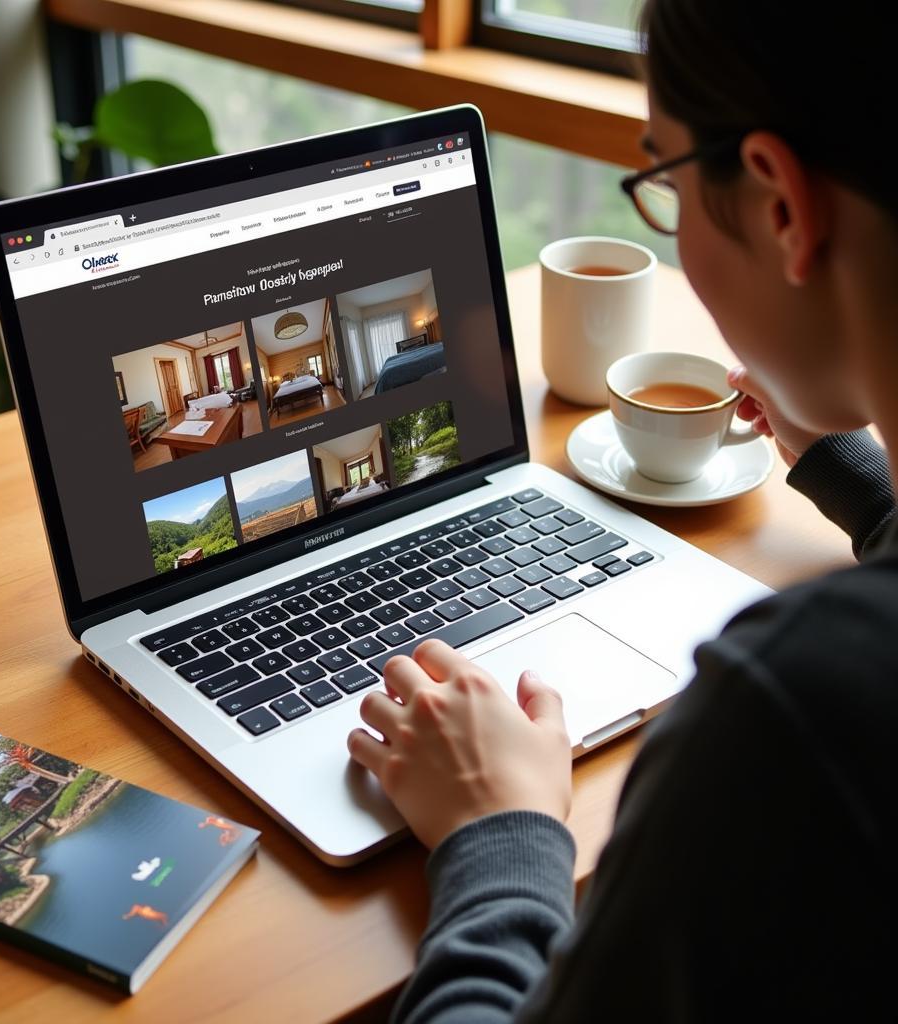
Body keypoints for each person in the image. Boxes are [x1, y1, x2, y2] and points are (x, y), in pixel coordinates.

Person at [346, 1, 897, 1019]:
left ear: (780, 203)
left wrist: (498, 830)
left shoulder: (793, 706)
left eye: (664, 183)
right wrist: (859, 478)